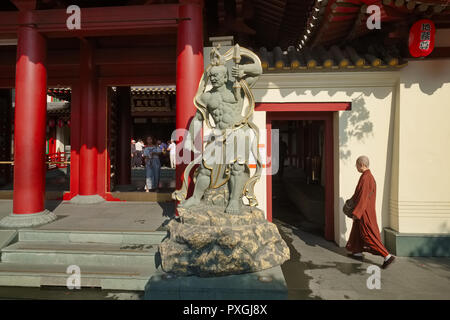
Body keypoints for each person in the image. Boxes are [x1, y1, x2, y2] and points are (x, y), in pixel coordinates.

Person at [346, 155, 395, 269]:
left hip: (365, 212)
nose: (356, 167)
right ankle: (357, 252)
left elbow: (363, 198)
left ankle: (387, 256)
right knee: (357, 231)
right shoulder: (366, 176)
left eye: (357, 165)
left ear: (362, 165)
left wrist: (356, 213)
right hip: (365, 210)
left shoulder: (366, 178)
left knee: (368, 235)